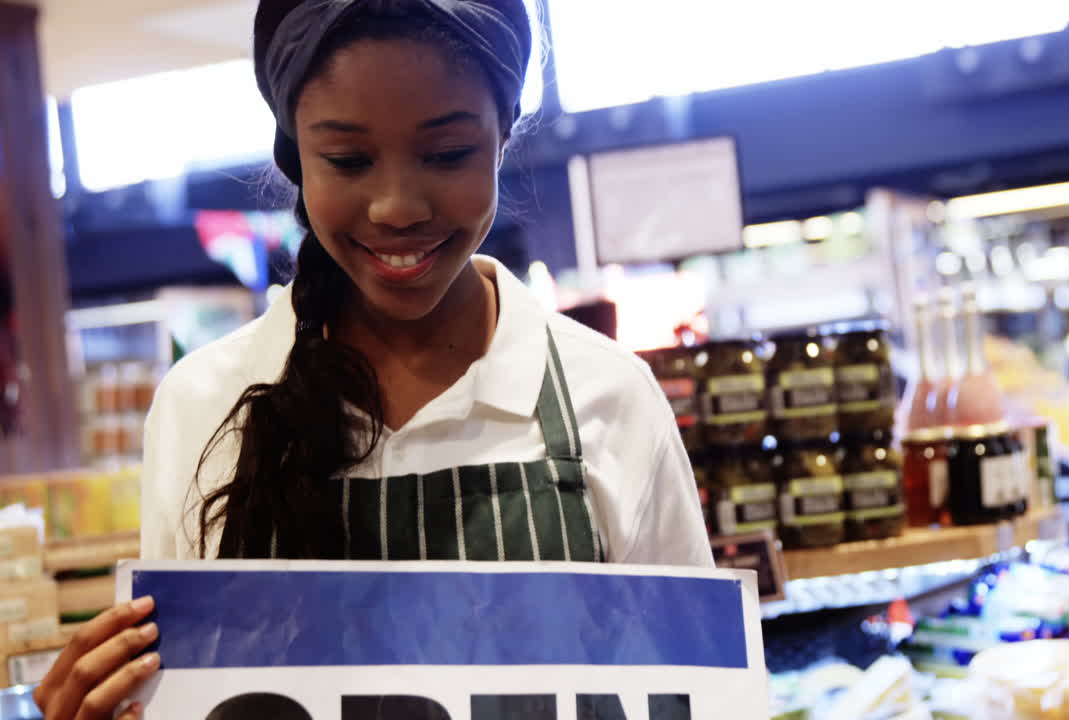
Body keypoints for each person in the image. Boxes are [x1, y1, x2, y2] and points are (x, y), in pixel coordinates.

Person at [34, 1, 711, 717]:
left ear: (503, 135)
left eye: (447, 154)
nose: (397, 207)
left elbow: (699, 691)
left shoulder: (608, 395)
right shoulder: (206, 405)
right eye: (349, 160)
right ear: (295, 155)